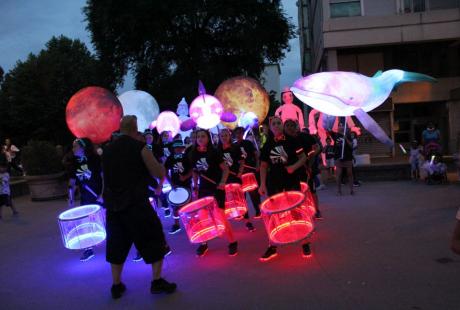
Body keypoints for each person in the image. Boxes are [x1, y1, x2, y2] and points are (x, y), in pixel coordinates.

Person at [103, 115, 176, 298]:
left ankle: (116, 285)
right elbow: (157, 172)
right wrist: (162, 168)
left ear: (120, 129)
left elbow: (105, 180)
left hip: (113, 206)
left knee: (117, 244)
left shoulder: (107, 150)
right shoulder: (140, 147)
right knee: (154, 238)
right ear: (135, 130)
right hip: (136, 204)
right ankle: (157, 281)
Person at [258, 116, 309, 261]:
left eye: (278, 123)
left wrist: (293, 167)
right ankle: (272, 245)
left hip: (292, 181)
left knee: (297, 211)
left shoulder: (293, 140)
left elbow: (303, 157)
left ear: (282, 125)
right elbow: (263, 166)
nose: (276, 125)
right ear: (270, 127)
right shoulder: (267, 145)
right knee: (274, 215)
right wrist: (262, 184)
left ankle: (305, 242)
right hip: (274, 183)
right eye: (273, 123)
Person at [189, 129, 238, 257]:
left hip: (216, 188)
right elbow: (195, 171)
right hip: (203, 189)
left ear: (208, 138)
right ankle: (203, 244)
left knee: (221, 216)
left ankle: (232, 242)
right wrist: (195, 186)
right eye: (198, 136)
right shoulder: (193, 153)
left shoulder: (214, 152)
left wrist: (222, 182)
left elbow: (226, 169)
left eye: (203, 136)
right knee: (202, 216)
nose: (200, 139)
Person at [68, 138, 104, 261]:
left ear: (83, 148)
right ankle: (88, 249)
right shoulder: (74, 162)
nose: (73, 149)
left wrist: (103, 194)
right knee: (85, 223)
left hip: (98, 195)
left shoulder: (95, 159)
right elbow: (72, 181)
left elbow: (103, 177)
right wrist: (71, 197)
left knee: (104, 221)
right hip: (85, 197)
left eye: (75, 146)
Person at [284, 119, 322, 219]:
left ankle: (316, 210)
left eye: (292, 125)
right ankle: (297, 213)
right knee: (294, 192)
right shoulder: (282, 140)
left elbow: (317, 148)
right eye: (287, 125)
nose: (289, 127)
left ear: (296, 126)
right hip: (291, 171)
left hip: (307, 168)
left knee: (311, 189)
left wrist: (310, 164)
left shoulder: (306, 137)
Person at [218, 128, 255, 231]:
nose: (224, 138)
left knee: (241, 198)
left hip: (235, 177)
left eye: (226, 135)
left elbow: (242, 161)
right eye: (222, 136)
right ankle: (229, 222)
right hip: (224, 179)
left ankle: (247, 221)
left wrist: (239, 173)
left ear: (229, 136)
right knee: (228, 199)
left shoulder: (235, 147)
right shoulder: (217, 151)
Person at [234, 126, 262, 219]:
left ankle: (258, 210)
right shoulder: (233, 146)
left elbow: (256, 154)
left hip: (250, 170)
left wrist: (257, 165)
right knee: (241, 194)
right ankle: (244, 213)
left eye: (240, 133)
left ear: (242, 134)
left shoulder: (248, 143)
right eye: (237, 133)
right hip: (240, 172)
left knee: (253, 192)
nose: (238, 135)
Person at [164, 139, 191, 234]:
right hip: (175, 185)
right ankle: (176, 224)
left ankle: (191, 223)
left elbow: (192, 170)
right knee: (175, 206)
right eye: (176, 148)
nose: (178, 149)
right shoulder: (170, 158)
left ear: (183, 148)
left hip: (186, 184)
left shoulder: (186, 157)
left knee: (188, 205)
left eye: (180, 147)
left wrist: (185, 177)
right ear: (174, 149)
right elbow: (165, 171)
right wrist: (171, 183)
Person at [330, 121, 355, 195]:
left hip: (347, 157)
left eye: (342, 125)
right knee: (339, 174)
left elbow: (351, 146)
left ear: (345, 127)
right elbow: (328, 129)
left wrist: (346, 138)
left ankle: (351, 189)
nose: (341, 127)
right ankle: (339, 191)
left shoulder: (348, 135)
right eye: (339, 125)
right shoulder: (335, 135)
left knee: (349, 173)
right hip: (338, 157)